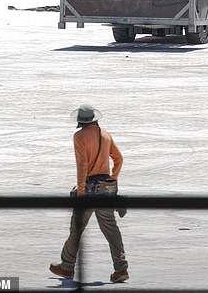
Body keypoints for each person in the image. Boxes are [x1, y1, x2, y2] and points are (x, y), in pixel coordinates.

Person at [49, 105, 129, 283]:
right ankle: (121, 269)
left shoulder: (79, 136)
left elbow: (82, 165)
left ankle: (67, 266)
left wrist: (81, 191)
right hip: (106, 190)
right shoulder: (106, 134)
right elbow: (119, 159)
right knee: (111, 229)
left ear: (80, 120)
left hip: (89, 189)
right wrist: (112, 180)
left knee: (76, 228)